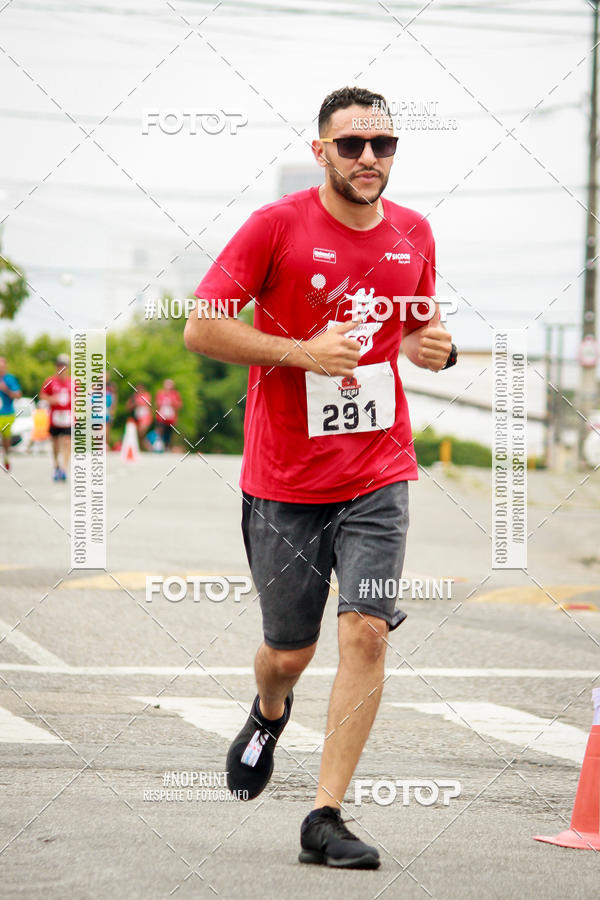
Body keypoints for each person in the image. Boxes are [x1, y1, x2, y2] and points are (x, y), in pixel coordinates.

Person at [184, 85, 457, 870]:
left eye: (383, 144)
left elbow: (419, 330)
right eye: (352, 145)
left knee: (367, 630)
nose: (369, 158)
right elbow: (202, 326)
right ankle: (270, 710)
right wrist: (302, 352)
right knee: (289, 653)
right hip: (285, 479)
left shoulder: (414, 232)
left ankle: (325, 815)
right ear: (321, 152)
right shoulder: (276, 226)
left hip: (378, 468)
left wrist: (436, 349)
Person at [41, 354, 72, 481]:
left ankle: (64, 469)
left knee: (67, 442)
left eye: (64, 366)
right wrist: (51, 399)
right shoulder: (50, 381)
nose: (61, 369)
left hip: (68, 417)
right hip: (55, 417)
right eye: (59, 366)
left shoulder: (73, 382)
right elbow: (43, 395)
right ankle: (56, 466)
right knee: (55, 443)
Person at [0, 356, 22, 472]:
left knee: (5, 437)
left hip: (7, 414)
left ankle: (6, 456)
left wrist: (6, 389)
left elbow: (18, 395)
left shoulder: (10, 379)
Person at [155, 378, 182, 451]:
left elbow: (179, 405)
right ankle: (159, 445)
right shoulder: (160, 393)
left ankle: (167, 446)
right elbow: (157, 403)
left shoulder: (175, 394)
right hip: (161, 416)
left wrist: (172, 402)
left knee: (169, 432)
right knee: (160, 430)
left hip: (171, 417)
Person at [126, 383, 153, 450]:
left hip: (145, 417)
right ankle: (143, 447)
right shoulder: (134, 396)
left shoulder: (147, 395)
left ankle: (147, 447)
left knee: (141, 432)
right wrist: (134, 404)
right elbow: (128, 407)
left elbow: (149, 407)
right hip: (137, 418)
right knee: (139, 435)